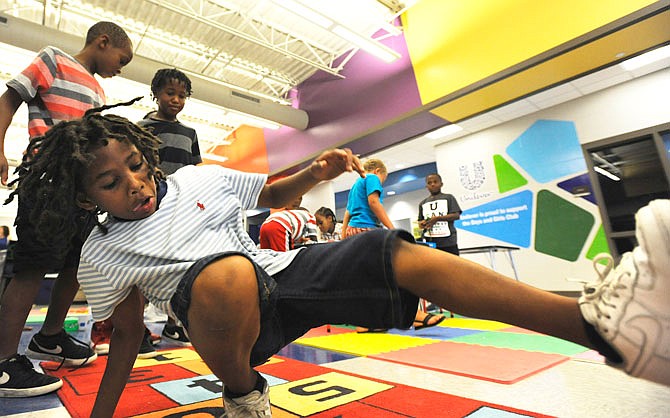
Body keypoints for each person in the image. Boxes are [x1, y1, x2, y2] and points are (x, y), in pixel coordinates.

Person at [9, 112, 670, 417]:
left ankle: (601, 329)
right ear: (81, 196)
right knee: (224, 272)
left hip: (283, 276)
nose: (135, 183)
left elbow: (267, 195)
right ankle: (244, 397)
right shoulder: (100, 254)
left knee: (385, 249)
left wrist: (314, 170)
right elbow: (125, 335)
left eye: (134, 164)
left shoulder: (191, 181)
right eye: (110, 182)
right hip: (225, 318)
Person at [0, 21, 133, 398]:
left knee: (80, 261)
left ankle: (51, 336)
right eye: (121, 59)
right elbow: (8, 101)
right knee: (33, 265)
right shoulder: (52, 59)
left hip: (81, 191)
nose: (120, 68)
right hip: (46, 180)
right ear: (102, 42)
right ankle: (3, 360)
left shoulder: (97, 89)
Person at [90, 68, 203, 354]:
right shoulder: (140, 129)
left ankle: (175, 323)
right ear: (155, 94)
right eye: (170, 93)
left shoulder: (190, 133)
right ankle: (130, 328)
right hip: (144, 206)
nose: (176, 100)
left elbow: (196, 169)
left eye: (182, 96)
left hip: (179, 207)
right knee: (140, 268)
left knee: (179, 264)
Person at [342, 159, 444, 331]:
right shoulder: (371, 177)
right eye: (384, 179)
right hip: (367, 229)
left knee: (371, 278)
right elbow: (374, 202)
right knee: (394, 271)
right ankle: (414, 315)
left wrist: (344, 232)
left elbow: (348, 212)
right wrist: (392, 229)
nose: (381, 183)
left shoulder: (355, 185)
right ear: (377, 171)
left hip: (355, 230)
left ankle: (368, 322)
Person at [418, 173, 462, 255]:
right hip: (431, 242)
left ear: (441, 184)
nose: (433, 184)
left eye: (435, 182)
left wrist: (437, 218)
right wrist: (423, 223)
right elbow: (420, 223)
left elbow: (456, 215)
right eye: (429, 183)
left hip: (448, 242)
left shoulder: (449, 198)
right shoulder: (422, 203)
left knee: (452, 266)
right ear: (426, 186)